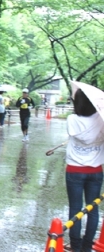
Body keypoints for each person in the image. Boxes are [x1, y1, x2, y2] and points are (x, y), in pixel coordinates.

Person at [64, 88, 104, 252]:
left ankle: (75, 246)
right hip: (95, 170)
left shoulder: (72, 119)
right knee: (93, 209)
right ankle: (87, 247)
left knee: (75, 208)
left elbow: (73, 135)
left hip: (74, 169)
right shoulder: (101, 120)